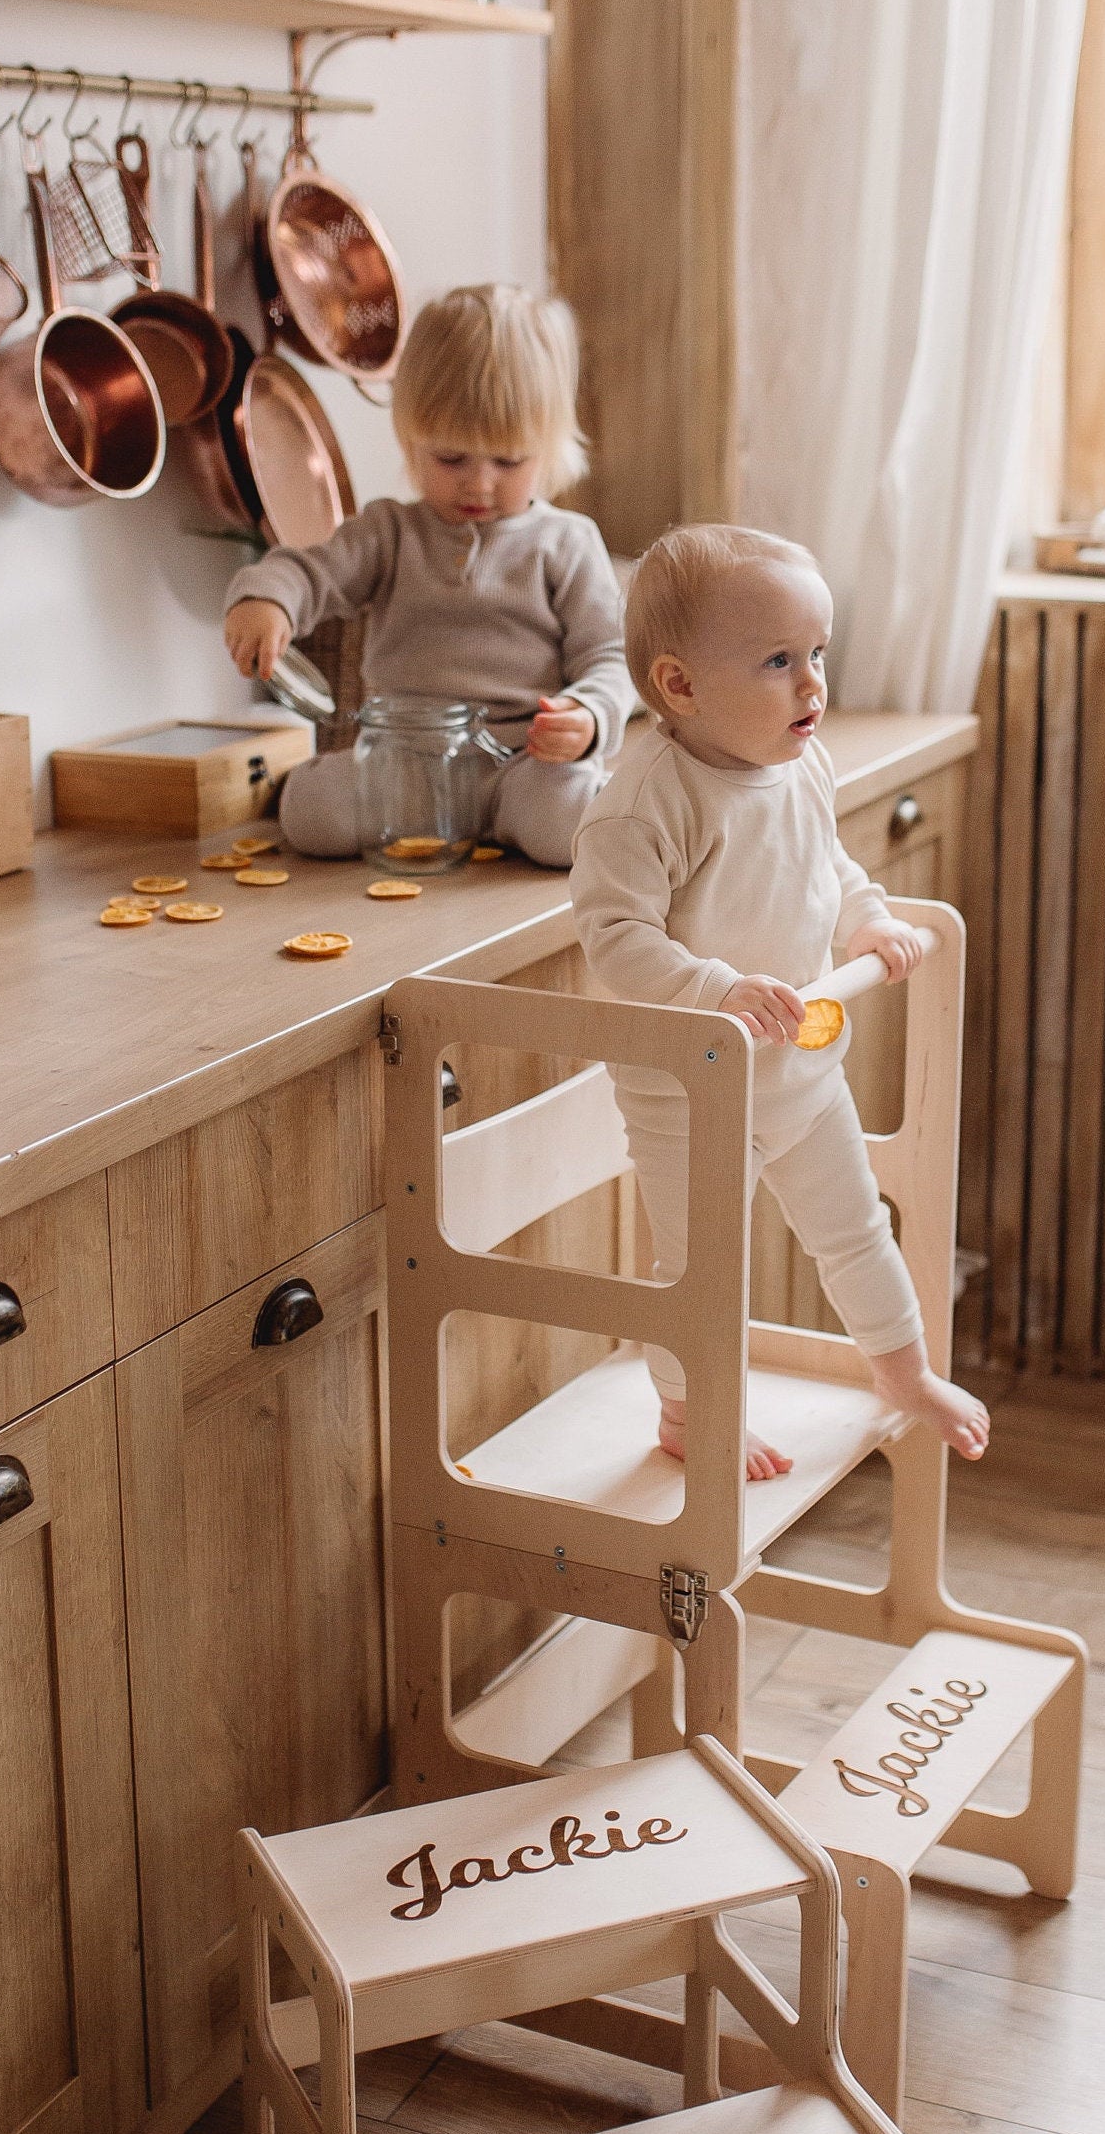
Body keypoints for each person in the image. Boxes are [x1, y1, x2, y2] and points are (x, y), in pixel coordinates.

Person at [570, 522, 991, 1481]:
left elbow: (823, 864)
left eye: (816, 655)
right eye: (777, 660)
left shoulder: (804, 763)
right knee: (702, 1270)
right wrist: (715, 989)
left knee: (855, 1229)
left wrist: (868, 919)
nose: (812, 684)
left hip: (800, 1069)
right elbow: (616, 939)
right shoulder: (645, 801)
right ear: (680, 686)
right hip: (690, 1094)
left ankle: (904, 1371)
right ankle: (687, 1411)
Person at [222, 284, 634, 868]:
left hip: (526, 766)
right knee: (312, 813)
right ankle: (460, 825)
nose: (479, 483)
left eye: (508, 461)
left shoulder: (566, 542)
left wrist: (590, 716)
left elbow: (611, 658)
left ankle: (597, 809)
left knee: (568, 827)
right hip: (407, 766)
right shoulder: (389, 533)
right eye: (450, 458)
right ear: (410, 439)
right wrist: (268, 601)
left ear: (548, 447)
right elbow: (310, 572)